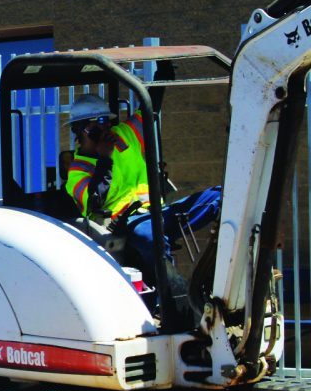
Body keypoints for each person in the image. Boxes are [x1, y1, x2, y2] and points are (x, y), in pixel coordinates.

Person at [64, 94, 222, 283]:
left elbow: (149, 108)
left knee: (220, 196)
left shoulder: (124, 134)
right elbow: (96, 201)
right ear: (84, 129)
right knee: (152, 238)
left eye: (108, 121)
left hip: (157, 212)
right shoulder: (77, 171)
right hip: (126, 224)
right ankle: (170, 300)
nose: (108, 126)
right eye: (101, 121)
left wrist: (164, 74)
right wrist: (105, 158)